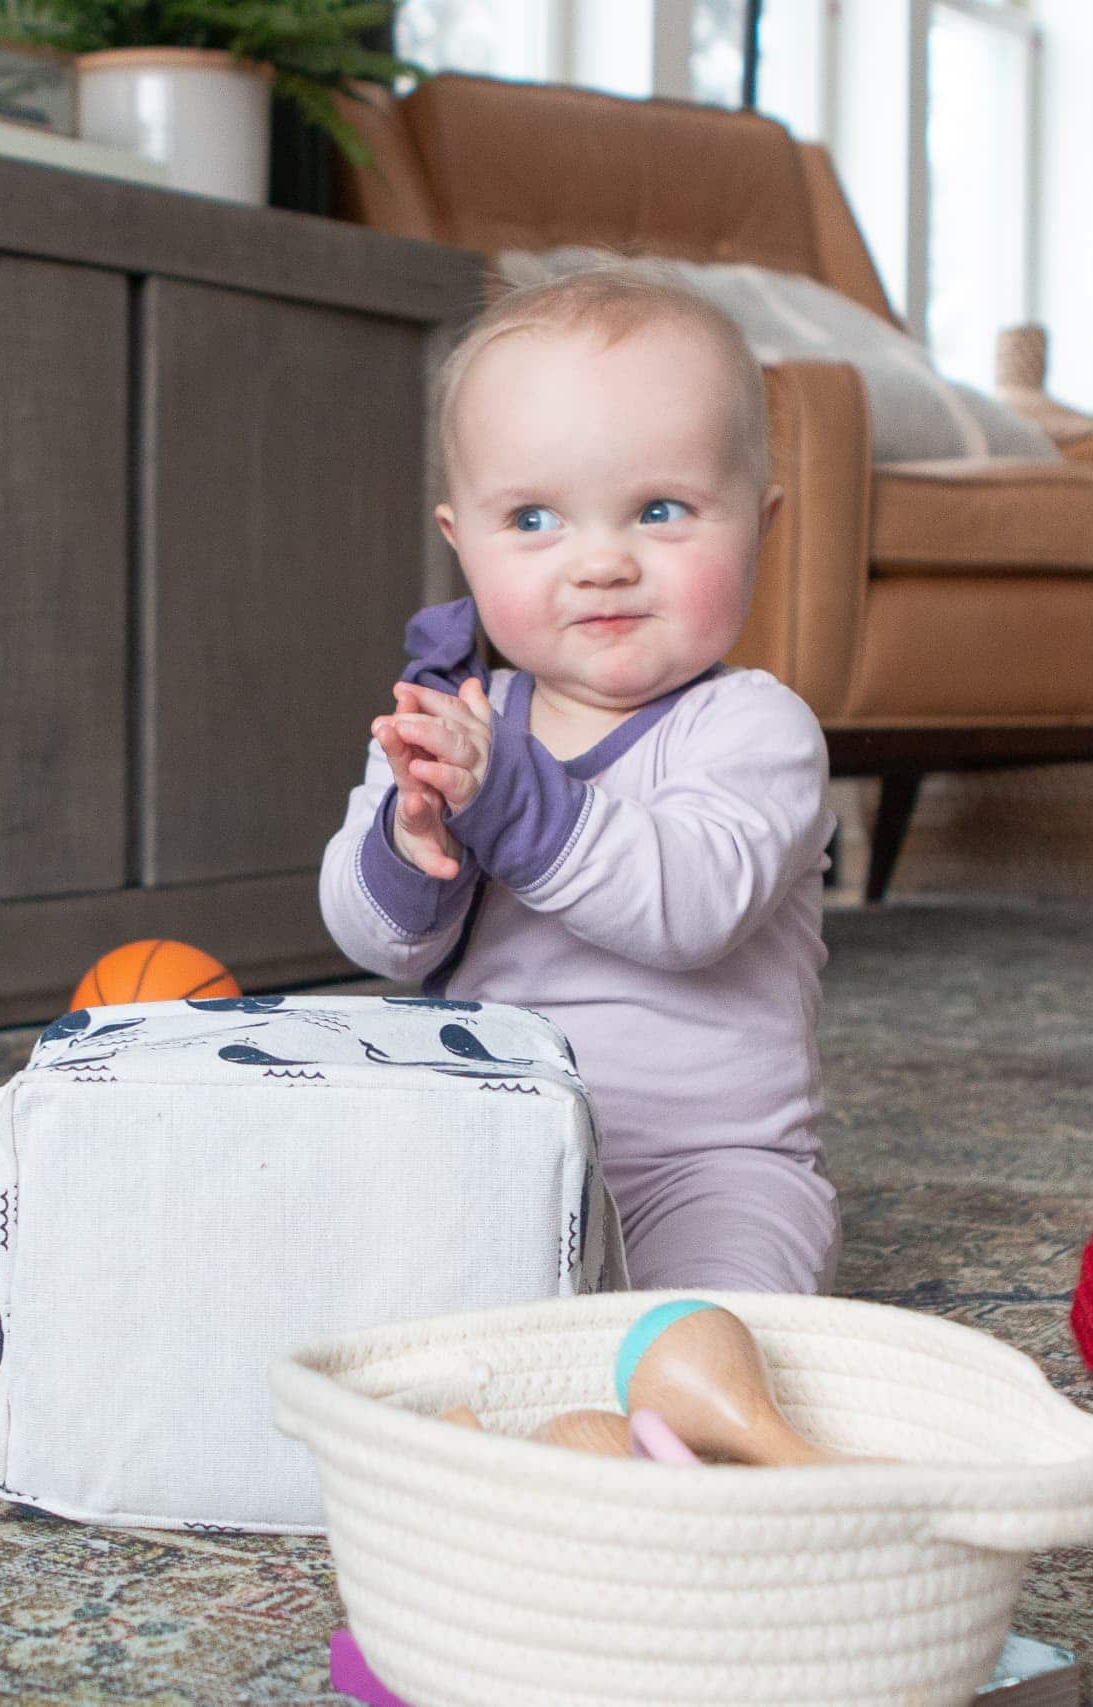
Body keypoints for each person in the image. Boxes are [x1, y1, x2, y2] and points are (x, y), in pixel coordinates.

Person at [318, 262, 838, 1293]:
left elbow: (687, 905)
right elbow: (369, 937)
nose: (599, 562)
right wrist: (412, 850)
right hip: (491, 1149)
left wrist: (508, 803)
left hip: (709, 1168)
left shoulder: (753, 729)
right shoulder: (462, 724)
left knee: (720, 1322)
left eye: (658, 510)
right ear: (461, 545)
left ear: (760, 525)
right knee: (361, 1299)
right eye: (533, 521)